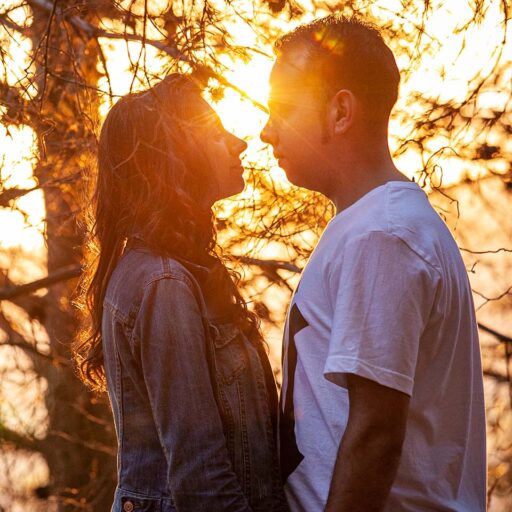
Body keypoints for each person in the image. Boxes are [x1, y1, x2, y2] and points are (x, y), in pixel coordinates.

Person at [260, 14, 487, 511]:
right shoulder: (377, 225)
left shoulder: (381, 236)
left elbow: (376, 433)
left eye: (282, 110)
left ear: (340, 112)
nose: (265, 132)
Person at [73, 74, 288, 512]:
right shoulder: (164, 284)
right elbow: (201, 481)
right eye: (214, 134)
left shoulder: (178, 269)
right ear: (177, 157)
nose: (239, 143)